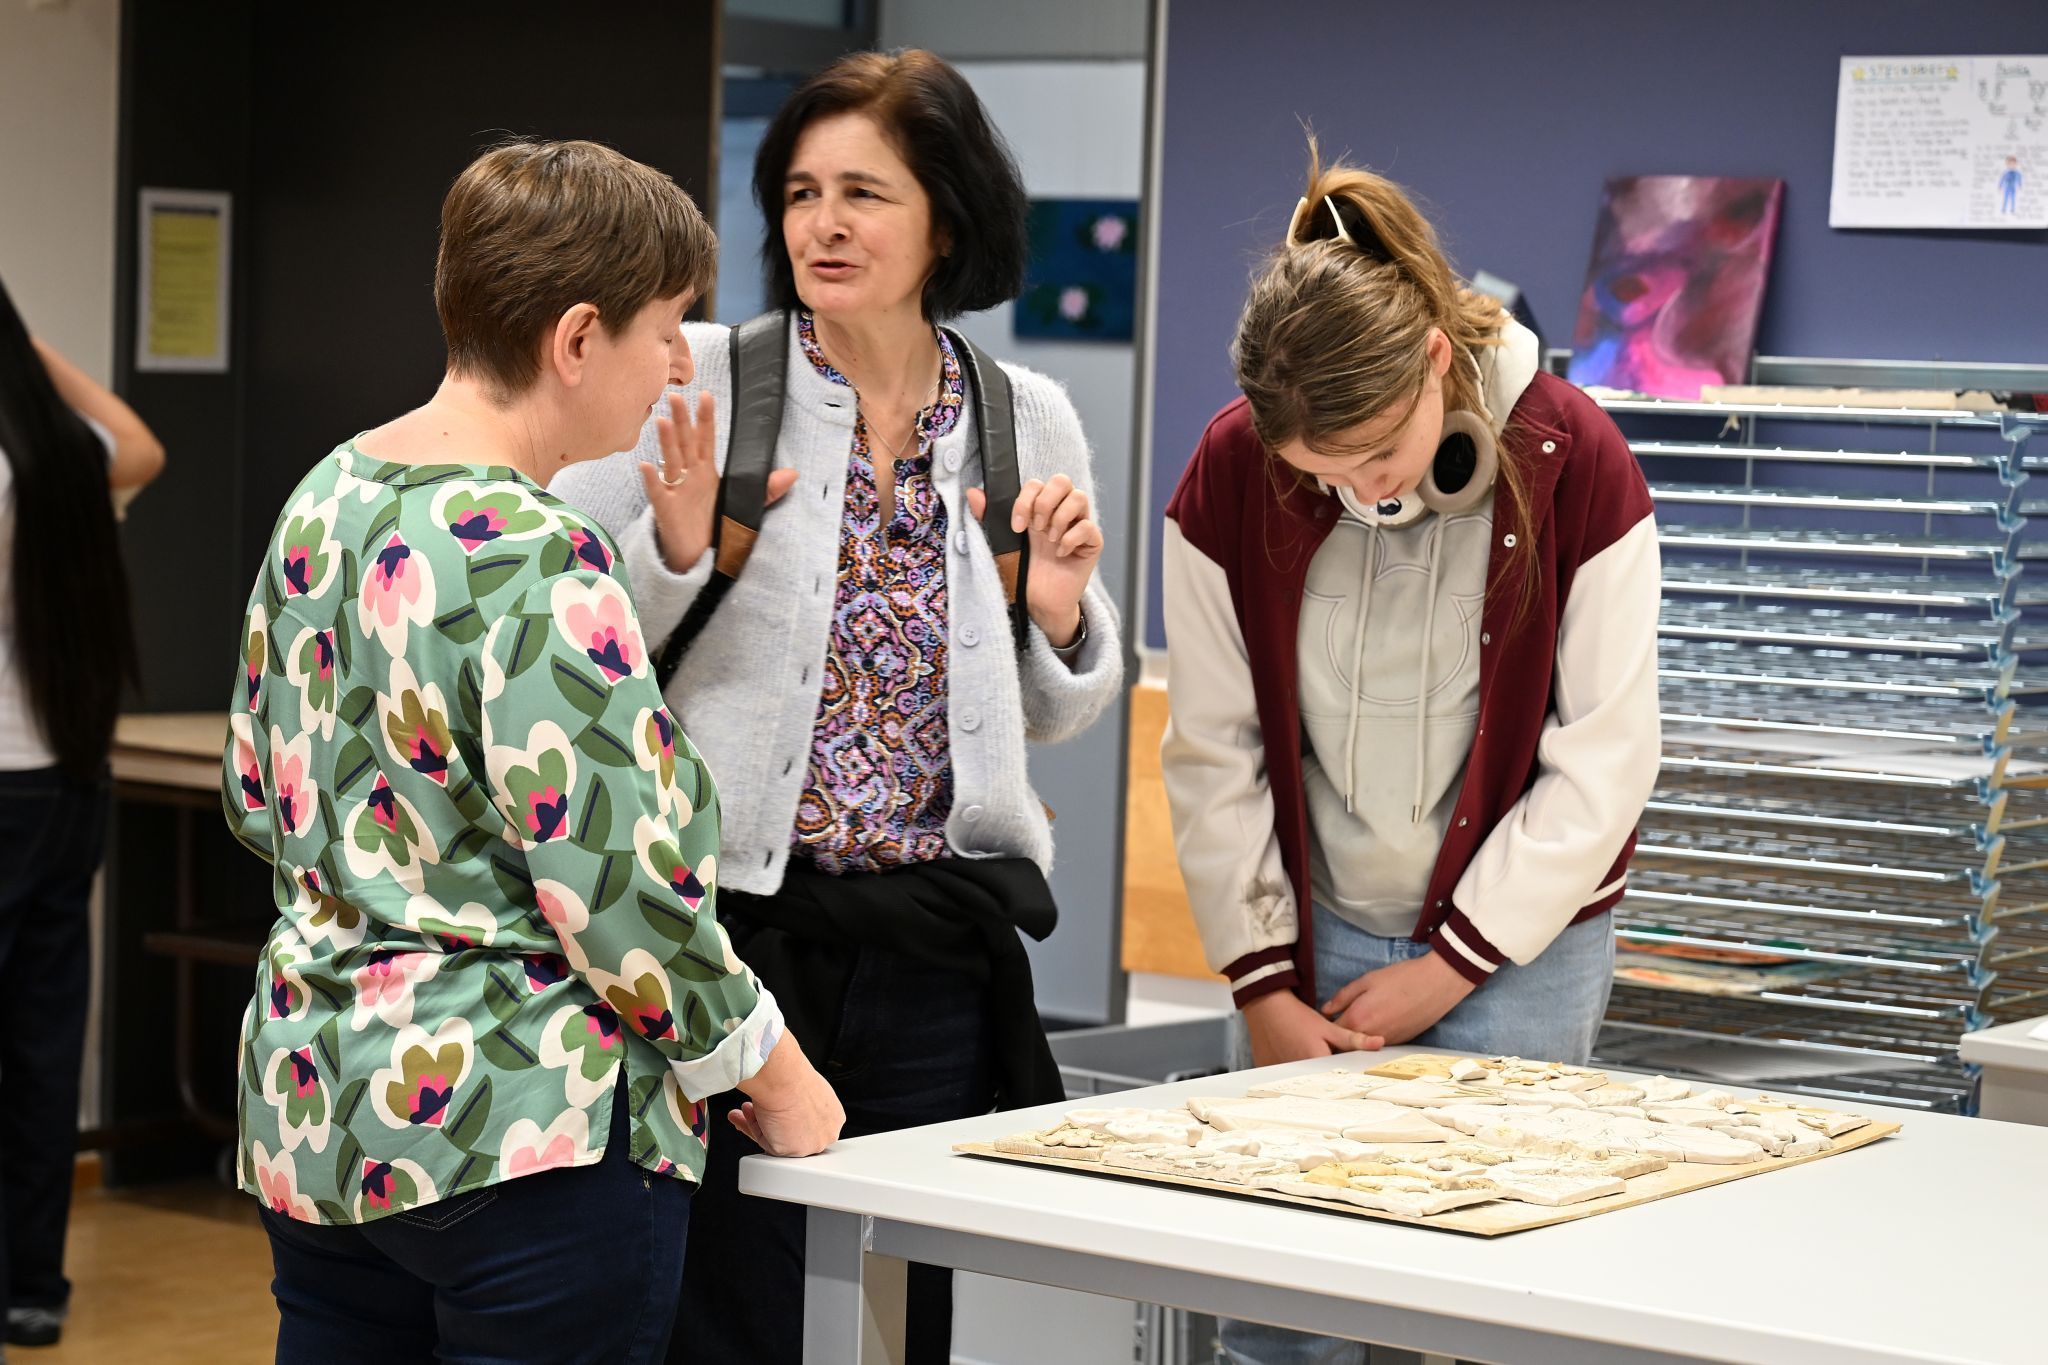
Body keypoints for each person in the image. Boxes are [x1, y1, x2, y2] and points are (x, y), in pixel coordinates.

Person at [219, 139, 841, 1365]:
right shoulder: (538, 553)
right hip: (523, 1134)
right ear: (574, 340)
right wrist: (771, 1071)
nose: (678, 362)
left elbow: (257, 790)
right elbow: (623, 894)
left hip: (320, 1103)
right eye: (665, 327)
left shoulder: (328, 494)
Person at [554, 48, 1122, 1365]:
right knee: (731, 1316)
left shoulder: (1022, 416)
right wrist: (683, 548)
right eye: (802, 191)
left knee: (914, 1315)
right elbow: (570, 661)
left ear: (946, 221)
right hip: (738, 946)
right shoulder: (690, 378)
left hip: (934, 954)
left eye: (865, 192)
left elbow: (1049, 710)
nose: (823, 222)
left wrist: (1058, 618)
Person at [1159, 143, 1661, 1365]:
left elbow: (1603, 759)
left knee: (1499, 1312)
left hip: (1518, 955)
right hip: (1313, 946)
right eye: (1317, 477)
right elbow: (1212, 751)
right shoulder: (1231, 470)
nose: (1359, 495)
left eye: (1377, 459)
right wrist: (1261, 986)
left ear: (1436, 358)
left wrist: (1448, 968)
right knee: (1284, 1324)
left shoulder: (1575, 461)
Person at [0, 280, 163, 1354]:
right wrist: (21, 344)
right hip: (64, 781)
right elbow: (142, 447)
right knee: (39, 1046)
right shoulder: (48, 454)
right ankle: (29, 1287)